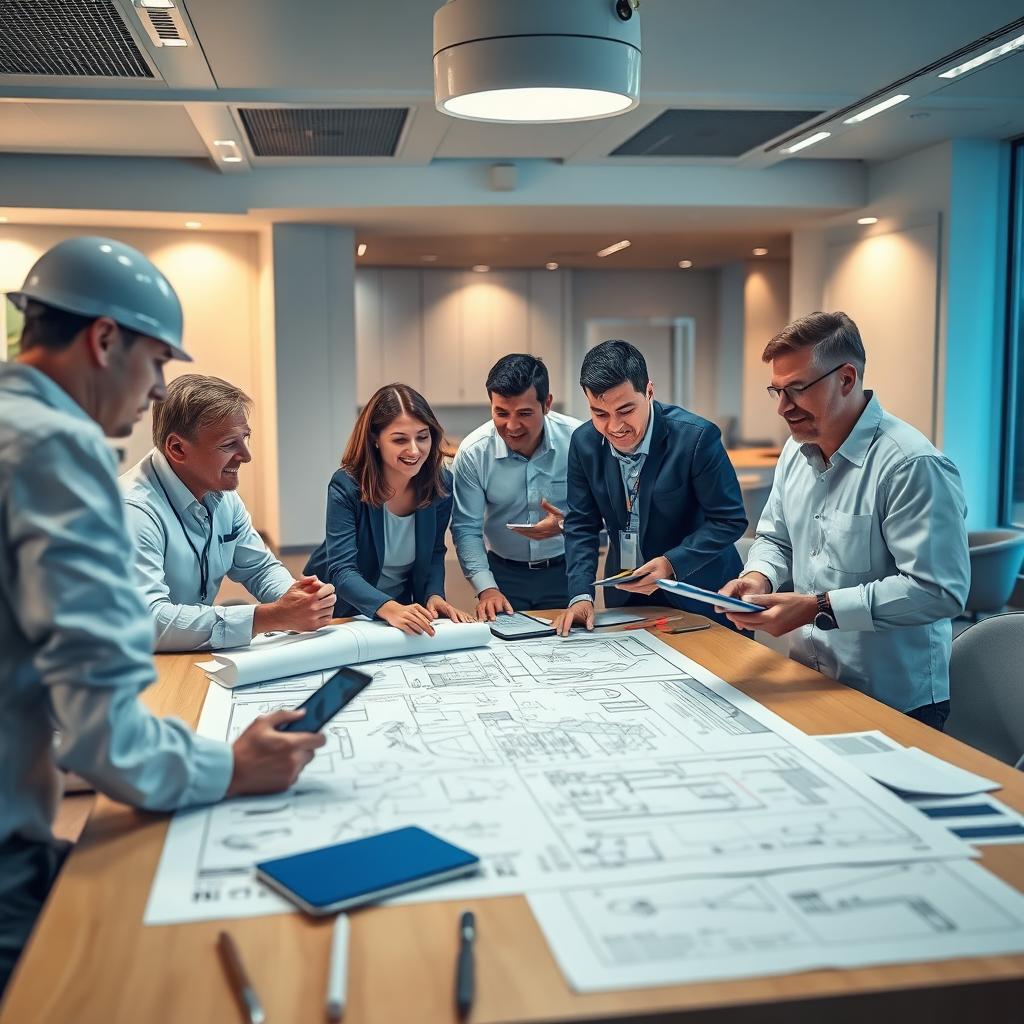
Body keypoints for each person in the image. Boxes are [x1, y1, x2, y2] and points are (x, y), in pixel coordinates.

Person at [0, 237, 324, 997]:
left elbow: (258, 569)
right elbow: (102, 724)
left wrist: (289, 602)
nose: (153, 392)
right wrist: (232, 766)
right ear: (103, 339)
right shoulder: (58, 449)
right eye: (153, 363)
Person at [717, 311, 970, 730]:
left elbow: (938, 590)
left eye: (796, 389)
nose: (782, 408)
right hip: (807, 680)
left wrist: (816, 608)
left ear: (847, 379)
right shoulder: (795, 452)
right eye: (776, 391)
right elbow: (776, 539)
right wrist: (759, 576)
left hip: (893, 702)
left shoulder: (910, 465)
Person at [121, 374, 336, 652]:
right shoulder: (132, 511)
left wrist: (297, 600)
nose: (245, 456)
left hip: (178, 654)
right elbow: (147, 623)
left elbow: (259, 568)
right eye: (228, 444)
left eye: (245, 438)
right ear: (177, 448)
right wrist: (270, 617)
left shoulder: (223, 496)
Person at [554, 340, 747, 635]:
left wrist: (671, 563)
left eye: (625, 410)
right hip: (627, 596)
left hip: (701, 592)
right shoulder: (584, 443)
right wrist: (581, 595)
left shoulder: (696, 439)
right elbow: (581, 525)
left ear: (649, 392)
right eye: (600, 414)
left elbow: (729, 521)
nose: (614, 426)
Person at [305, 384, 472, 635]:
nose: (414, 450)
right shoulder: (347, 486)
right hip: (340, 610)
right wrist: (387, 607)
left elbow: (435, 552)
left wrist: (434, 596)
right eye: (399, 439)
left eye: (422, 436)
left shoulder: (440, 483)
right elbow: (342, 571)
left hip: (397, 609)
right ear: (375, 440)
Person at [451, 354, 582, 618]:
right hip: (502, 576)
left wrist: (565, 525)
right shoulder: (474, 453)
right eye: (501, 413)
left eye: (524, 413)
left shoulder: (578, 441)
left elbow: (605, 514)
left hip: (567, 571)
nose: (511, 426)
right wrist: (486, 589)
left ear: (547, 404)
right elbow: (466, 528)